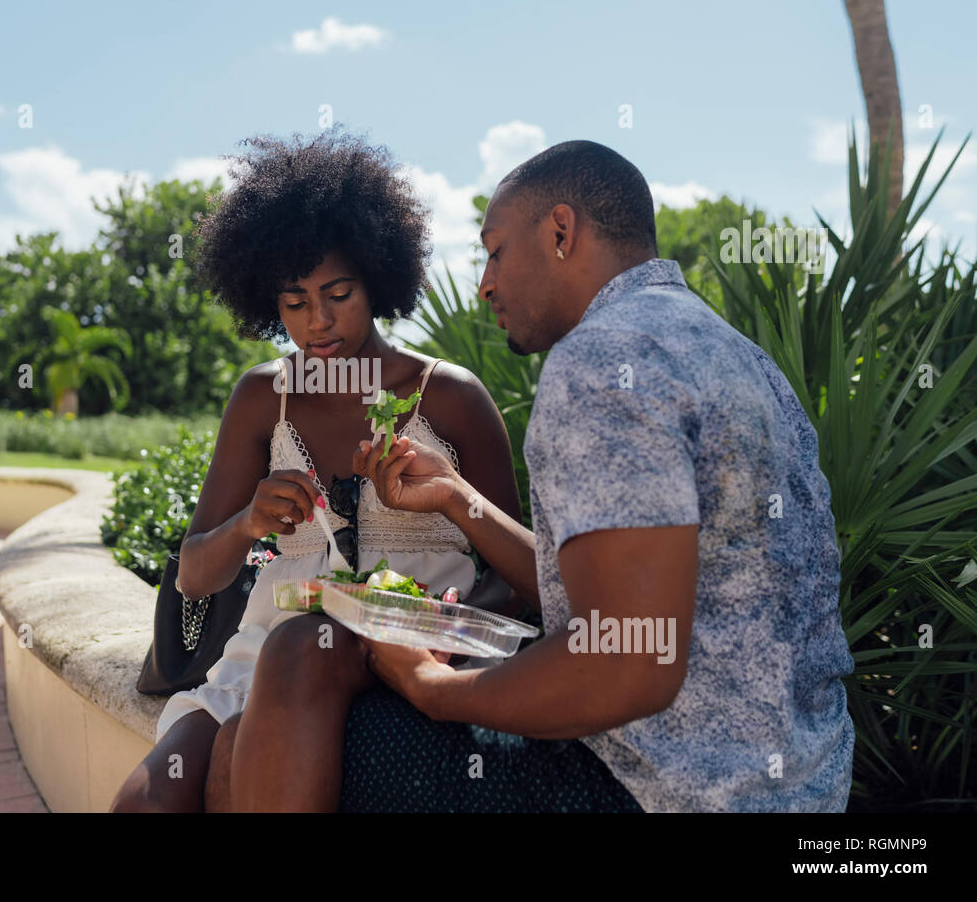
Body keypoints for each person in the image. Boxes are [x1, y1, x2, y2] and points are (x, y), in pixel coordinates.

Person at [229, 139, 856, 812]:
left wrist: (433, 691)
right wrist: (456, 498)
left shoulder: (601, 360)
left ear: (561, 232)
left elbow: (627, 664)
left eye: (495, 250)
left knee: (295, 686)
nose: (486, 283)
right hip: (801, 787)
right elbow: (611, 597)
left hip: (653, 792)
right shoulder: (732, 352)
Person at [110, 130, 533, 812]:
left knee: (242, 761)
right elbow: (194, 574)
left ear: (377, 277)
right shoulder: (261, 398)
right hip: (264, 652)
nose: (319, 322)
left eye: (338, 292)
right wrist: (249, 521)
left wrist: (441, 636)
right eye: (295, 302)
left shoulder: (450, 397)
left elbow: (517, 579)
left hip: (410, 650)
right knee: (145, 804)